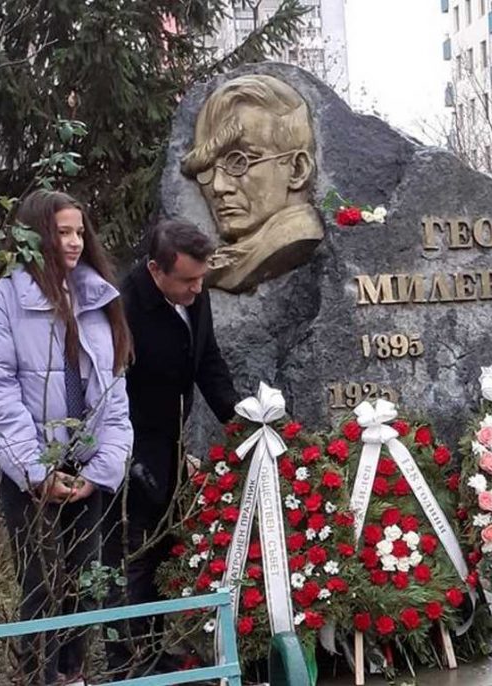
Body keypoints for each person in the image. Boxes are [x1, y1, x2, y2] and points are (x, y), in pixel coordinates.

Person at [0, 189, 133, 685]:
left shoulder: (98, 297)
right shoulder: (1, 300)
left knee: (85, 581)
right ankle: (37, 675)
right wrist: (37, 472)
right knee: (41, 582)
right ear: (37, 235)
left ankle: (71, 674)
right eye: (63, 232)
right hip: (30, 467)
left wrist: (100, 470)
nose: (75, 242)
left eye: (80, 231)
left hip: (85, 468)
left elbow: (114, 394)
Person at [102, 217, 239, 678]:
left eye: (201, 278)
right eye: (187, 280)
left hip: (173, 444)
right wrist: (128, 457)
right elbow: (111, 388)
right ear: (156, 270)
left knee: (163, 551)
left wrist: (239, 422)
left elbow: (208, 361)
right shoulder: (123, 307)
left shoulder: (194, 297)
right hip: (130, 449)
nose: (198, 289)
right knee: (132, 558)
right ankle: (127, 663)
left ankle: (154, 648)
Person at [179, 73, 324, 293]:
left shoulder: (297, 240)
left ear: (297, 169)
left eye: (239, 162)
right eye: (206, 168)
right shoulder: (220, 262)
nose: (218, 186)